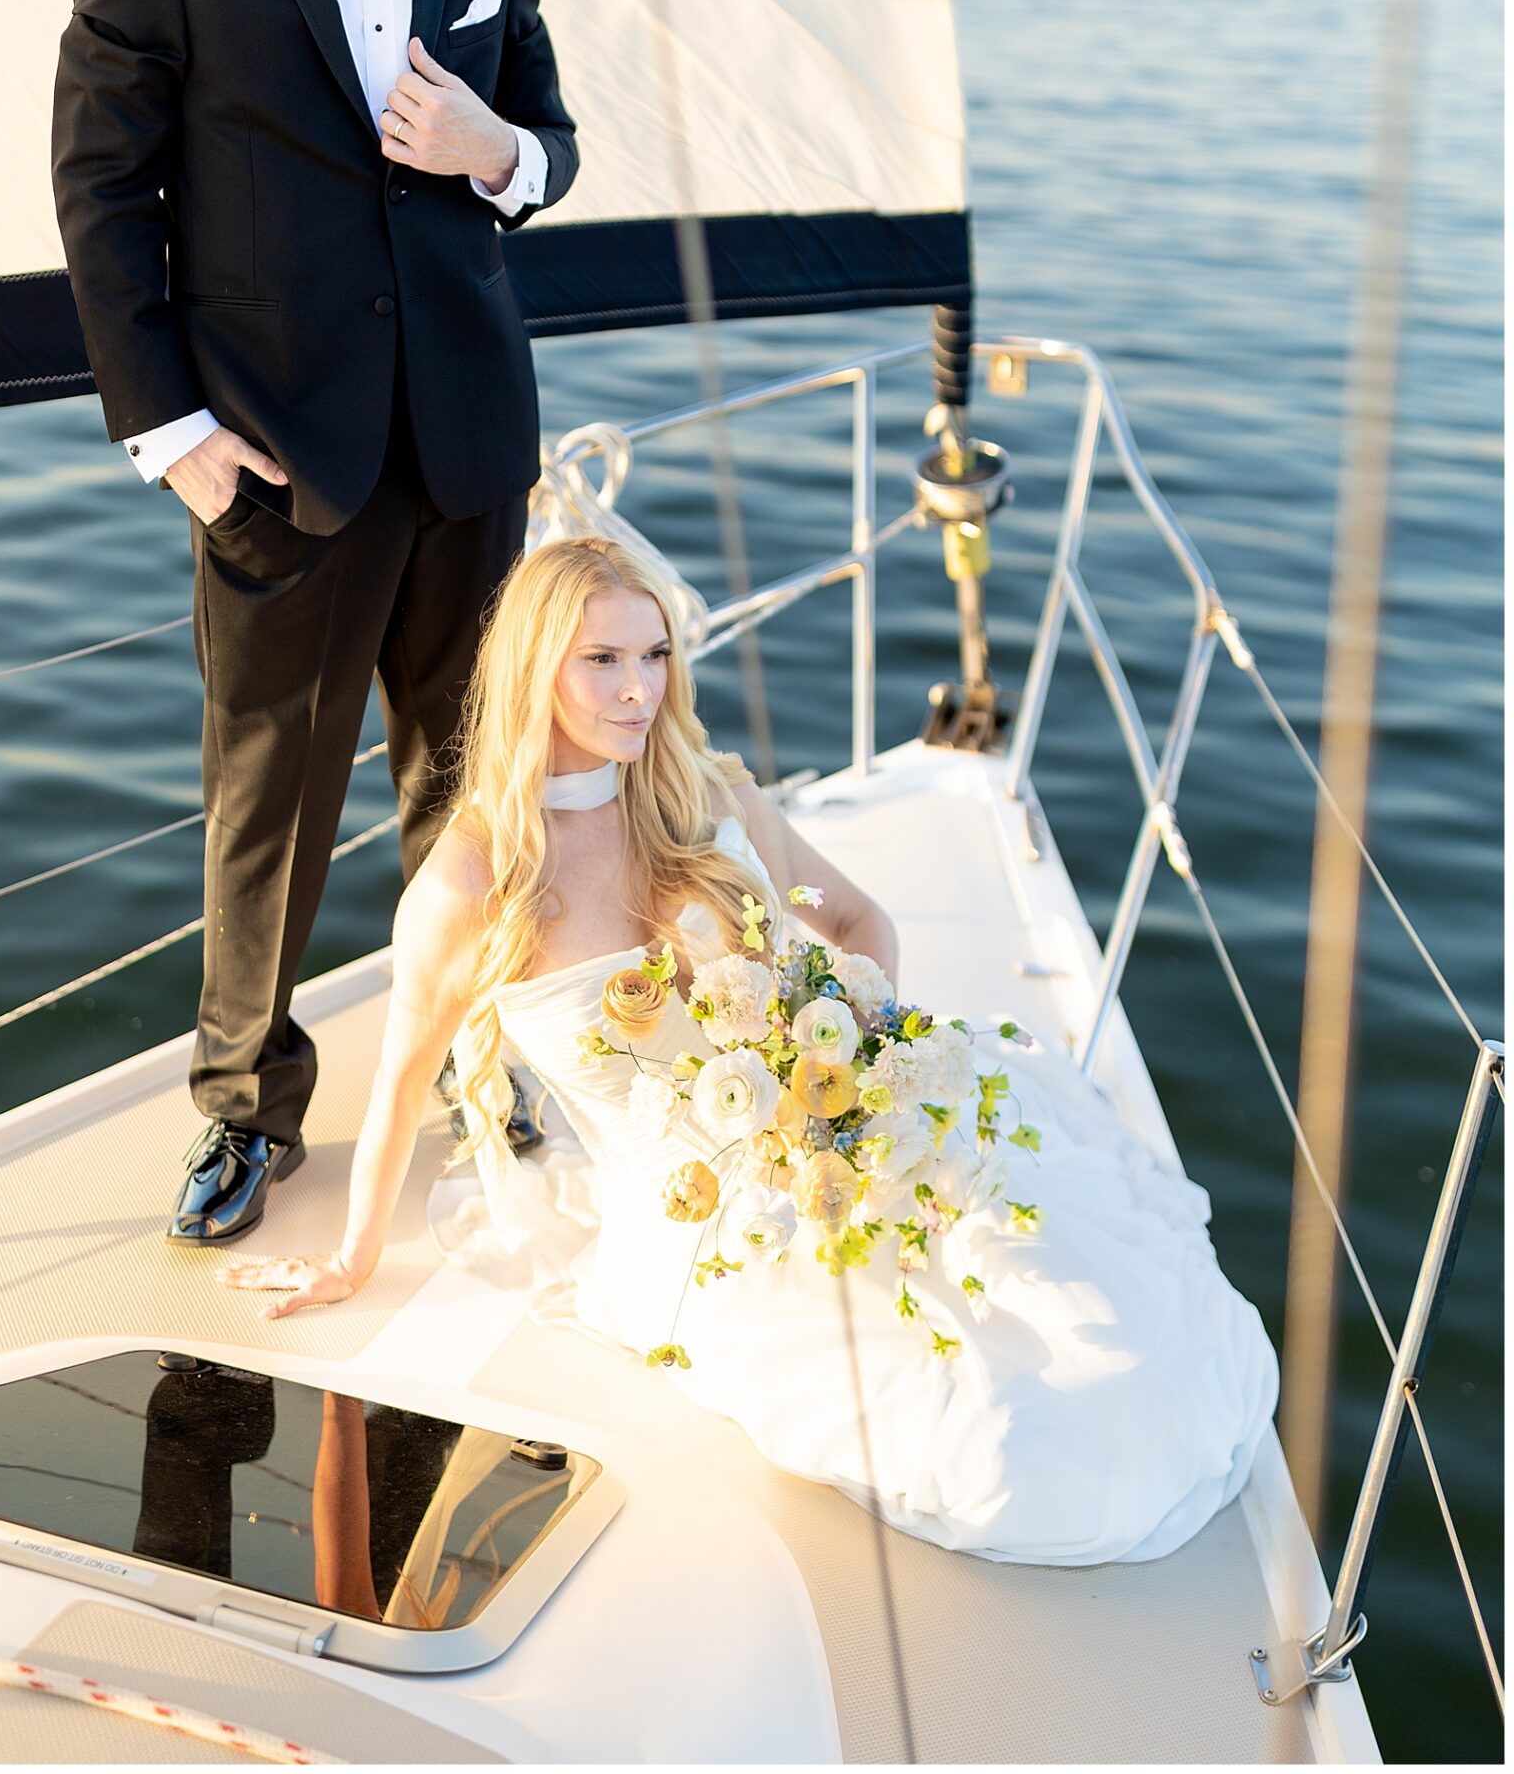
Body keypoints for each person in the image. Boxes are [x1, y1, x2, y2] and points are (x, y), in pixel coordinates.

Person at [220, 537, 1280, 1568]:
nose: (638, 690)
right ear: (531, 668)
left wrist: (868, 1069)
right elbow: (406, 1073)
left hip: (857, 1134)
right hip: (704, 1234)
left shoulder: (714, 803)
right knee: (992, 1441)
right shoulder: (470, 889)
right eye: (602, 660)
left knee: (1100, 1320)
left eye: (654, 655)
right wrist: (354, 1256)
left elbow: (853, 921)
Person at [52, 0, 577, 1247]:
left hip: (474, 442)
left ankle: (463, 1063)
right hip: (276, 457)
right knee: (268, 806)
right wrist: (176, 438)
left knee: (473, 786)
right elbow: (98, 183)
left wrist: (495, 153)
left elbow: (550, 142)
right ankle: (242, 1112)